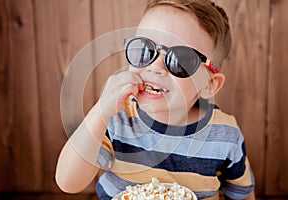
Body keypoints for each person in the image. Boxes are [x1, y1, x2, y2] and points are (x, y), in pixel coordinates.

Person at [55, 0, 255, 199]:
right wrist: (100, 111)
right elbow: (68, 182)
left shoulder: (225, 136)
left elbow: (243, 195)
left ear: (209, 85)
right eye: (145, 49)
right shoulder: (116, 119)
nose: (155, 67)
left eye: (180, 60)